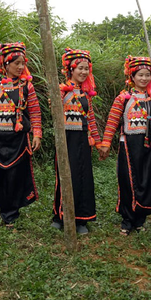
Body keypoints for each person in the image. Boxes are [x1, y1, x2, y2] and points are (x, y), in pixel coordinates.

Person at [100, 56, 151, 236]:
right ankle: (127, 219)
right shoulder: (123, 98)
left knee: (146, 181)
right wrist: (106, 143)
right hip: (128, 145)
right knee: (127, 181)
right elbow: (112, 122)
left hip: (148, 146)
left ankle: (140, 219)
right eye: (140, 75)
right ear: (132, 76)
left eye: (148, 75)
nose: (144, 78)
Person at [0, 42, 42, 229]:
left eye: (22, 63)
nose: (20, 67)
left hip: (17, 139)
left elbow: (35, 112)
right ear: (5, 64)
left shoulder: (27, 86)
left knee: (13, 176)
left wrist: (37, 133)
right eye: (16, 63)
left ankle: (9, 214)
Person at [51, 48, 102, 235]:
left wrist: (97, 142)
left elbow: (90, 119)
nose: (83, 72)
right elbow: (54, 112)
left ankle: (82, 219)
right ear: (70, 69)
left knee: (83, 178)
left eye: (86, 68)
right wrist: (59, 96)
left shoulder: (86, 94)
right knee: (65, 176)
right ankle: (60, 216)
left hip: (83, 140)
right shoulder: (61, 90)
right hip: (66, 140)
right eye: (80, 68)